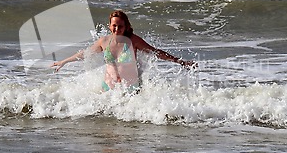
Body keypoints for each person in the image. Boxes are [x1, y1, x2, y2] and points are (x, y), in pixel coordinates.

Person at [51, 10, 197, 92]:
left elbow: (155, 52)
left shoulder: (133, 40)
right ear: (109, 26)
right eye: (114, 25)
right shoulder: (104, 41)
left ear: (126, 26)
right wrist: (64, 62)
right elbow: (85, 53)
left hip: (130, 89)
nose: (117, 29)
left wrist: (179, 61)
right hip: (108, 89)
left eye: (120, 26)